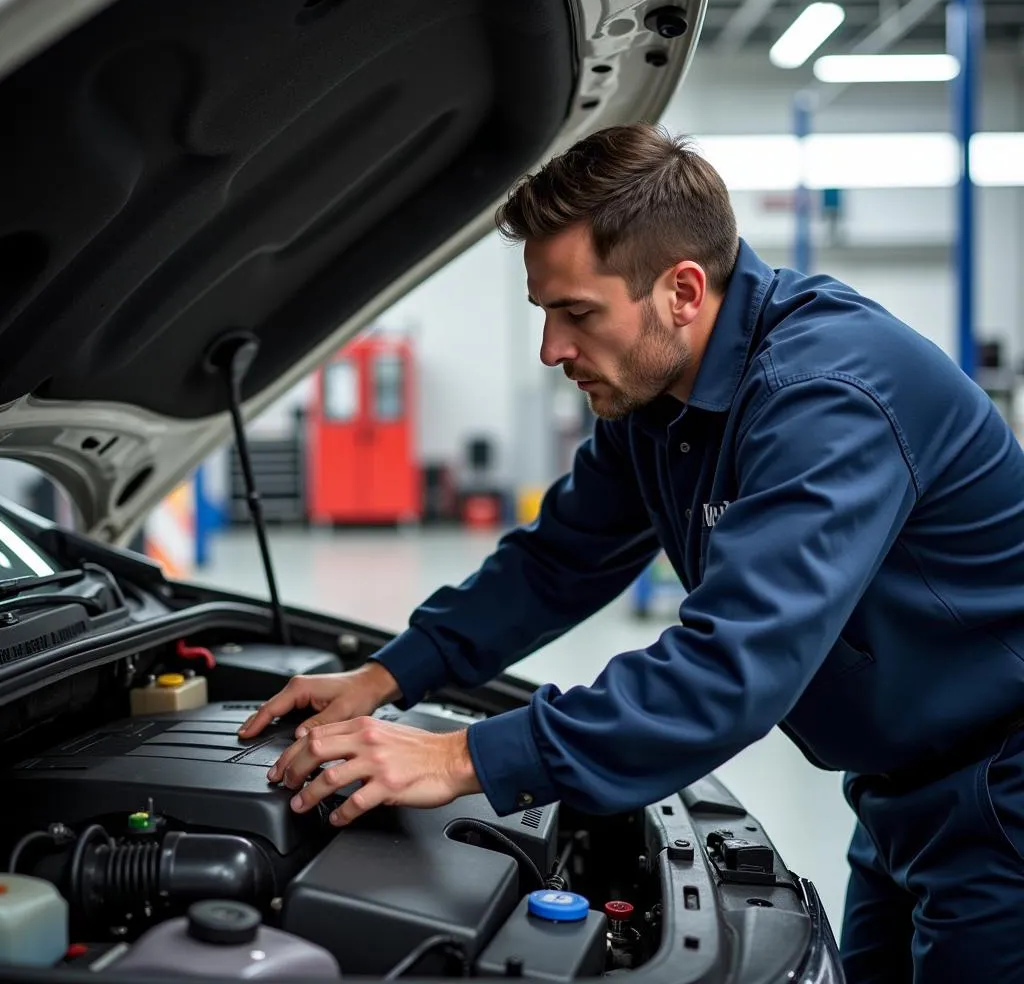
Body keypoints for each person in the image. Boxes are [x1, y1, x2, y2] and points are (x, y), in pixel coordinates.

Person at [239, 123, 1024, 982]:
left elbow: (729, 671)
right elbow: (557, 561)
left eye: (577, 313)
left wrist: (460, 757)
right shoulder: (660, 397)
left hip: (1001, 790)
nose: (553, 350)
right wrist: (384, 678)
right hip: (897, 792)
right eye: (545, 312)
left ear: (683, 290)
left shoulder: (826, 400)